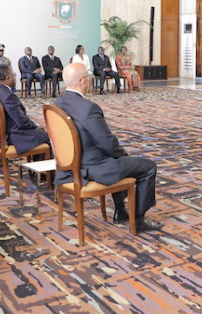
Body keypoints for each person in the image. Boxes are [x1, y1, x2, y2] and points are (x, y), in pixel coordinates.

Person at [54, 63, 162, 232]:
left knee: (116, 159)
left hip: (69, 167)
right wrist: (123, 154)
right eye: (89, 78)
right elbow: (107, 143)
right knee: (147, 167)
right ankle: (139, 219)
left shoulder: (56, 104)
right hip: (92, 167)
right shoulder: (88, 108)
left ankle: (120, 211)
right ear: (83, 81)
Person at [0, 65, 50, 155]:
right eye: (13, 74)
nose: (15, 77)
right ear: (8, 77)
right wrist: (35, 125)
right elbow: (22, 122)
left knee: (39, 133)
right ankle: (44, 167)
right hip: (14, 135)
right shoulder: (8, 96)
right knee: (49, 137)